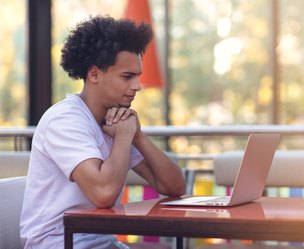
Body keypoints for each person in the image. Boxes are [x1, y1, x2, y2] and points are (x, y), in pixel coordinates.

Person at [20, 15, 186, 249]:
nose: (137, 86)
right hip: (60, 244)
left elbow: (175, 186)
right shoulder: (65, 120)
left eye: (137, 76)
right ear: (95, 74)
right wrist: (125, 135)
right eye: (127, 76)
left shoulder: (114, 120)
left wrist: (137, 135)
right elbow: (104, 193)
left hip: (101, 242)